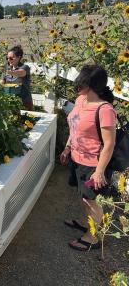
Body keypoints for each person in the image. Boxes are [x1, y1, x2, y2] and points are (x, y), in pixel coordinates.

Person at [60, 65, 117, 251]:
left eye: (81, 83)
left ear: (91, 85)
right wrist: (67, 148)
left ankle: (92, 236)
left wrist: (99, 171)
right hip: (78, 159)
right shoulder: (80, 100)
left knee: (91, 201)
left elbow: (109, 144)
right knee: (84, 198)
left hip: (93, 164)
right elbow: (74, 127)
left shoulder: (104, 109)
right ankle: (88, 223)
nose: (77, 86)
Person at [0, 45, 33, 110]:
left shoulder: (25, 67)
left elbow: (20, 73)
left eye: (11, 58)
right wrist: (1, 83)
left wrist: (7, 71)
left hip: (24, 102)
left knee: (26, 119)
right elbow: (2, 81)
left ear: (18, 57)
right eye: (7, 58)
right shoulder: (7, 67)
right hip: (10, 101)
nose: (9, 60)